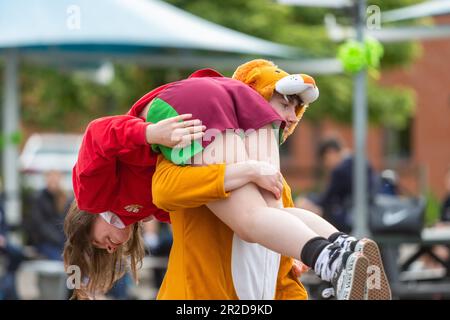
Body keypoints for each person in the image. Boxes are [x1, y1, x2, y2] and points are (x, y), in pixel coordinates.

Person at [147, 60, 390, 300]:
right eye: (284, 106)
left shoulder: (274, 180)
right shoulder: (197, 146)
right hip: (197, 296)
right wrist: (244, 172)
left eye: (296, 110)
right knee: (259, 218)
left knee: (273, 218)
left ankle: (340, 253)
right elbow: (164, 191)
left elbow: (282, 272)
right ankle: (341, 251)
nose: (292, 118)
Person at [301, 137, 378, 234]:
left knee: (310, 204)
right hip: (368, 211)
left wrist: (309, 201)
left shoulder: (341, 169)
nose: (326, 164)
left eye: (325, 159)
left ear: (331, 152)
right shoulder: (360, 160)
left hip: (352, 217)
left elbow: (327, 198)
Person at [28, 170, 70, 260]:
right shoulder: (39, 199)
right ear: (46, 180)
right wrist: (59, 239)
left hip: (61, 241)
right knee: (62, 259)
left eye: (56, 180)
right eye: (51, 180)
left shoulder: (64, 198)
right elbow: (40, 226)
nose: (53, 183)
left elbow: (65, 222)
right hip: (44, 242)